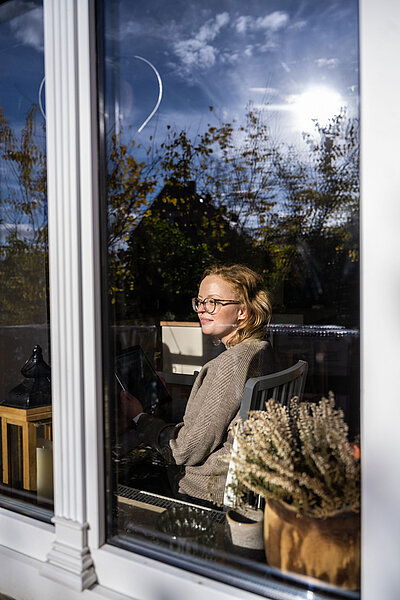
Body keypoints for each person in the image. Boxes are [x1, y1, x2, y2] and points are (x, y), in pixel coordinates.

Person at [120, 264, 275, 506]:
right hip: (240, 483)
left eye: (213, 302)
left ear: (242, 312)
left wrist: (140, 417)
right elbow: (222, 414)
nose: (202, 309)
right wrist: (170, 400)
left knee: (113, 478)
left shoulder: (229, 364)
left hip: (203, 493)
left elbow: (184, 450)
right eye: (200, 301)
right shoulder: (260, 349)